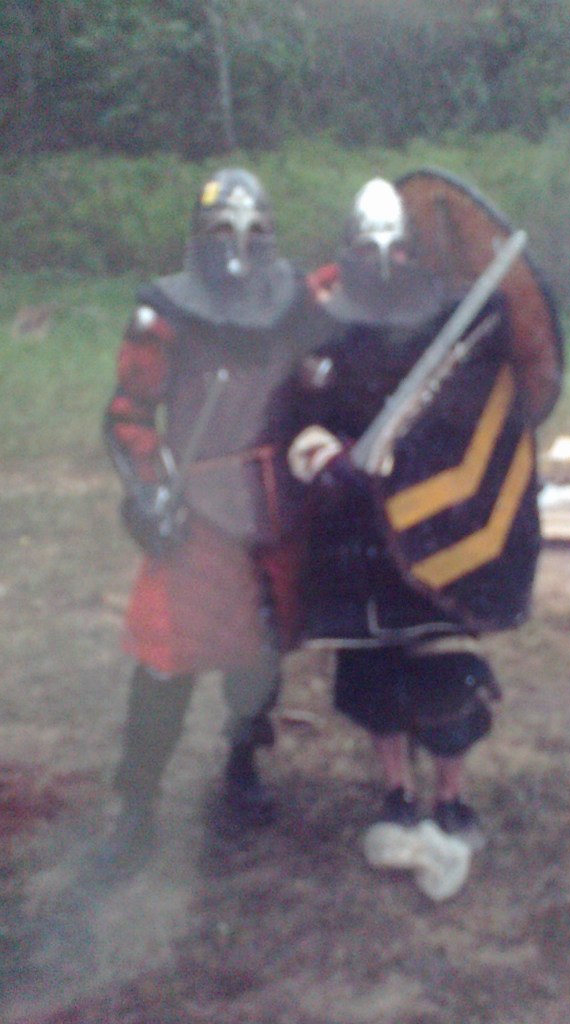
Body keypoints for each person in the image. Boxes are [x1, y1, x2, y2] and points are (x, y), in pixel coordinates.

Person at [281, 176, 560, 855]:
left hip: (438, 526)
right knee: (373, 672)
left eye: (396, 248)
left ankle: (451, 798)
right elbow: (297, 418)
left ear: (413, 250)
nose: (384, 261)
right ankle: (396, 793)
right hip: (355, 525)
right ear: (348, 250)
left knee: (447, 673)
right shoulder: (325, 328)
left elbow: (490, 409)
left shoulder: (457, 319)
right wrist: (326, 460)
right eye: (369, 248)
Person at [96, 168, 315, 879]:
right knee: (165, 661)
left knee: (259, 654)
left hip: (270, 506)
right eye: (222, 229)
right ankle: (137, 807)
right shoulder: (164, 314)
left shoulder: (293, 304)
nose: (239, 242)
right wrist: (149, 491)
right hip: (197, 508)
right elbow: (128, 414)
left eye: (253, 229)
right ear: (198, 236)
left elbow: (323, 386)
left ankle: (241, 766)